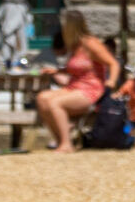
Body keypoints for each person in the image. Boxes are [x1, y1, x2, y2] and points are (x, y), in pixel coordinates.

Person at [35, 9, 118, 153]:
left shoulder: (91, 43)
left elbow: (113, 63)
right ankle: (61, 140)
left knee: (55, 103)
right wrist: (57, 71)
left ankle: (67, 144)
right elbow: (77, 68)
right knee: (42, 98)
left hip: (91, 90)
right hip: (74, 87)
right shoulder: (74, 45)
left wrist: (111, 82)